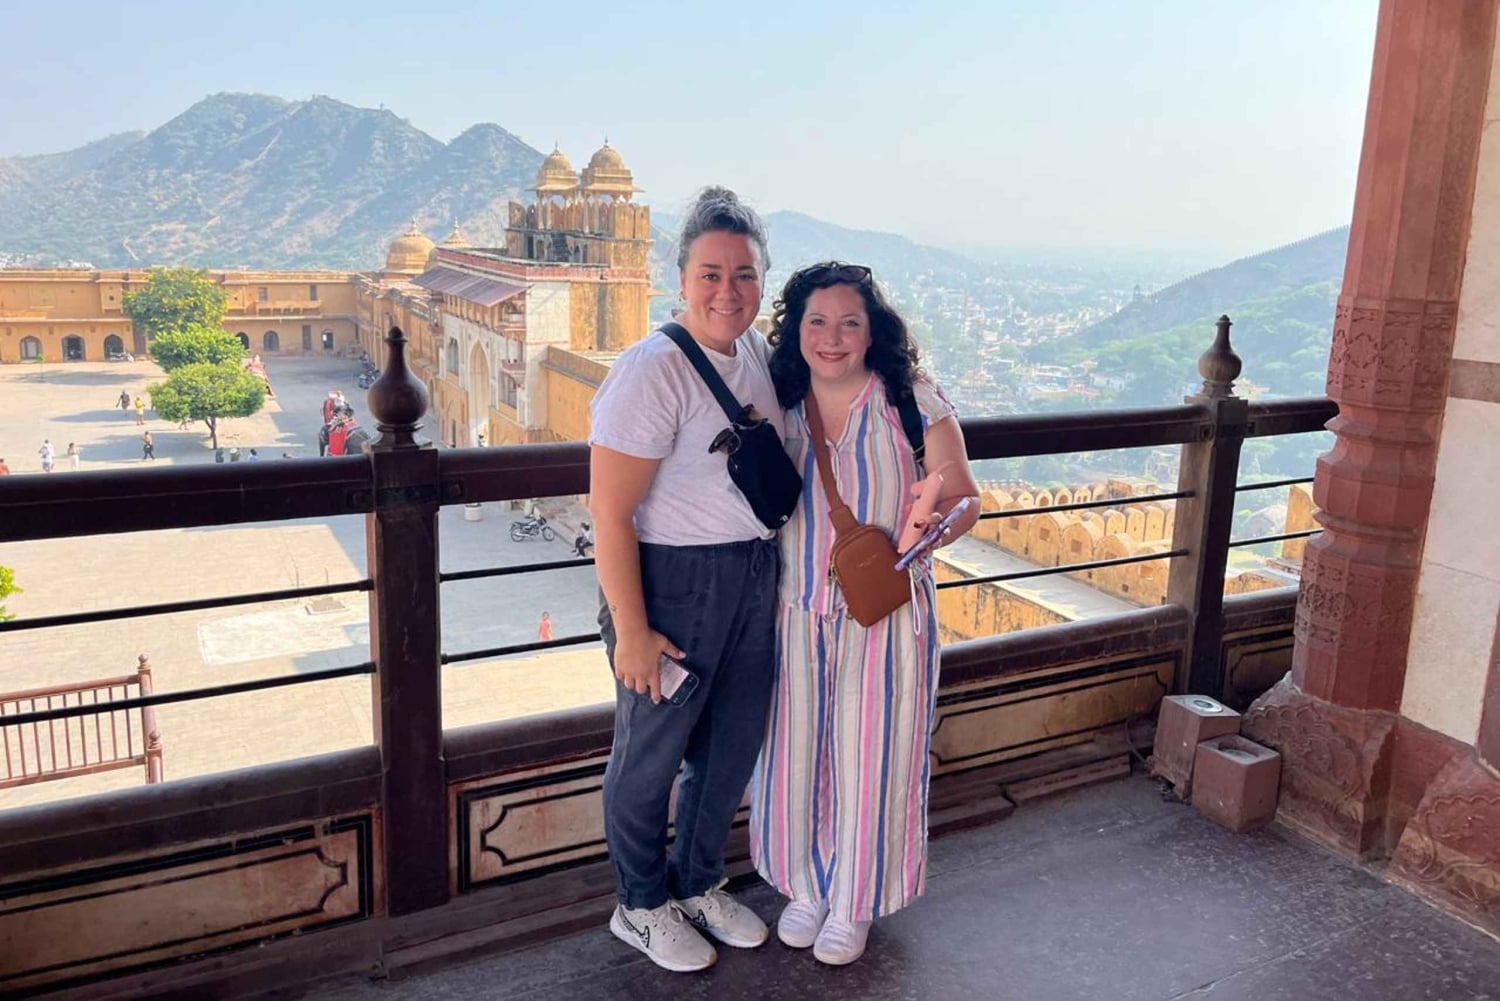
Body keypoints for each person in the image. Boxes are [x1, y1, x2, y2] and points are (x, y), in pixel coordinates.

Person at [750, 262, 981, 966]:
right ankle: (806, 885)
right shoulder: (780, 403)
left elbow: (965, 498)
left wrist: (928, 533)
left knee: (874, 758)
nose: (832, 337)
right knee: (793, 755)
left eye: (849, 322)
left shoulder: (909, 401)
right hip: (797, 611)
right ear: (796, 330)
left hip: (886, 615)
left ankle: (854, 900)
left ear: (871, 330)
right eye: (817, 321)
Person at [589, 187, 781, 973]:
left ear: (762, 279)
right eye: (710, 273)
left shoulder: (757, 353)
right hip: (673, 582)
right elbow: (609, 513)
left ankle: (697, 881)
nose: (727, 291)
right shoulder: (652, 370)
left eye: (743, 273)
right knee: (650, 754)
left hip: (754, 575)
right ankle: (638, 903)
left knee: (731, 744)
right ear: (681, 278)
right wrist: (632, 629)